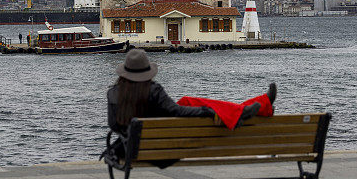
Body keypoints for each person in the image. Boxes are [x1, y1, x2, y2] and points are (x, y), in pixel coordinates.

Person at [107, 48, 276, 139]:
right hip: (168, 143)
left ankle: (250, 108)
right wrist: (209, 112)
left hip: (137, 146)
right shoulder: (153, 90)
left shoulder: (114, 93)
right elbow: (176, 111)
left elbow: (114, 126)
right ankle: (255, 106)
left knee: (187, 101)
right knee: (191, 103)